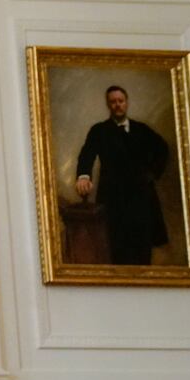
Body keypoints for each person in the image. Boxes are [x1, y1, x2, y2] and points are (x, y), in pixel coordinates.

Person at [74, 85, 170, 266]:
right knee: (116, 248)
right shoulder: (99, 130)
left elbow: (162, 149)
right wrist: (84, 176)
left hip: (142, 199)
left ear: (126, 103)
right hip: (113, 199)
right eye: (113, 102)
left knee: (143, 249)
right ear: (108, 105)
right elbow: (87, 154)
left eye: (120, 101)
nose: (117, 105)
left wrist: (152, 173)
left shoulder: (142, 129)